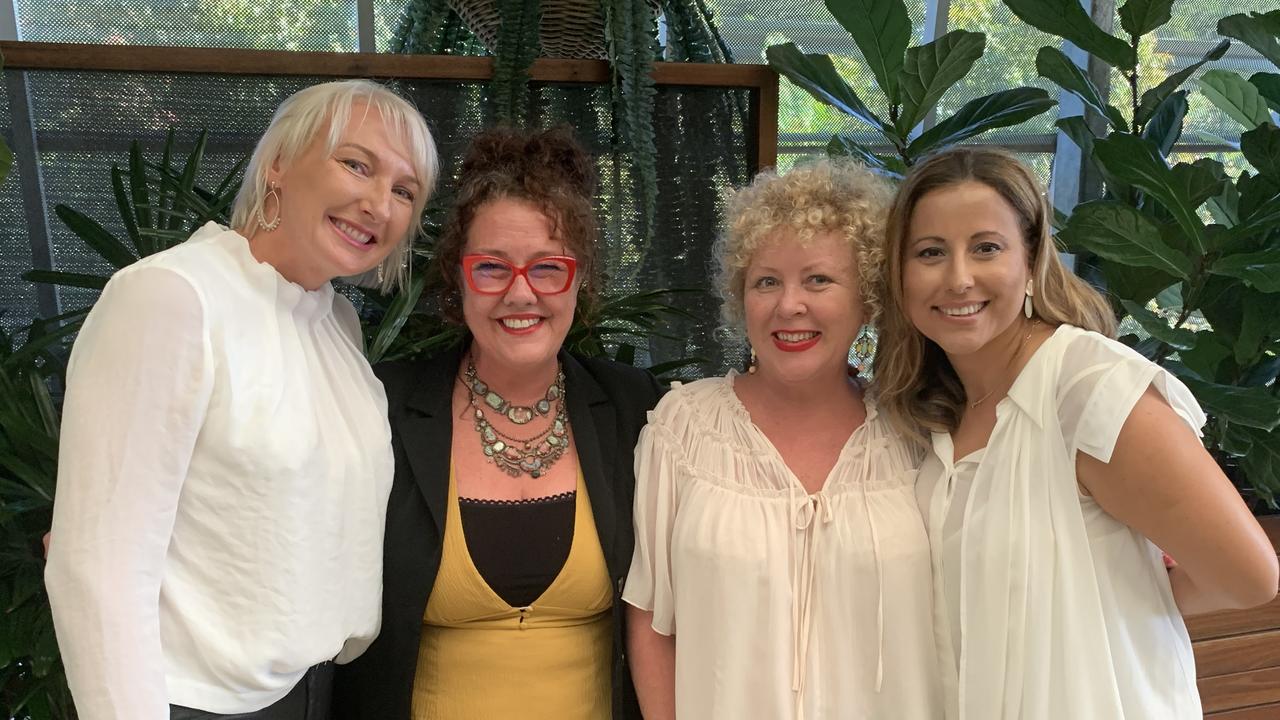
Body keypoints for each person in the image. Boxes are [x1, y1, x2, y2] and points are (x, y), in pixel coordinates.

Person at [44, 79, 439, 720]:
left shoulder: (335, 324)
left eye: (404, 191)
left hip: (315, 690)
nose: (378, 204)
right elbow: (95, 567)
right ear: (279, 164)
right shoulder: (172, 298)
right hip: (189, 702)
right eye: (356, 164)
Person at [873, 146, 1280, 719]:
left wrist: (1107, 601)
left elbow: (1248, 577)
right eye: (930, 252)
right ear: (900, 272)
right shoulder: (931, 410)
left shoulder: (1089, 391)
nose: (958, 278)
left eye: (986, 248)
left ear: (1033, 257)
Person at [331, 126, 663, 719]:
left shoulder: (636, 411)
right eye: (491, 268)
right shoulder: (382, 407)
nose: (520, 293)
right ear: (458, 282)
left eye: (547, 269)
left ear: (579, 281)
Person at [624, 158, 942, 719]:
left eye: (819, 279)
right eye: (766, 281)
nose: (788, 304)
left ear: (868, 298)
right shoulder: (683, 429)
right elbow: (653, 621)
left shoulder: (917, 436)